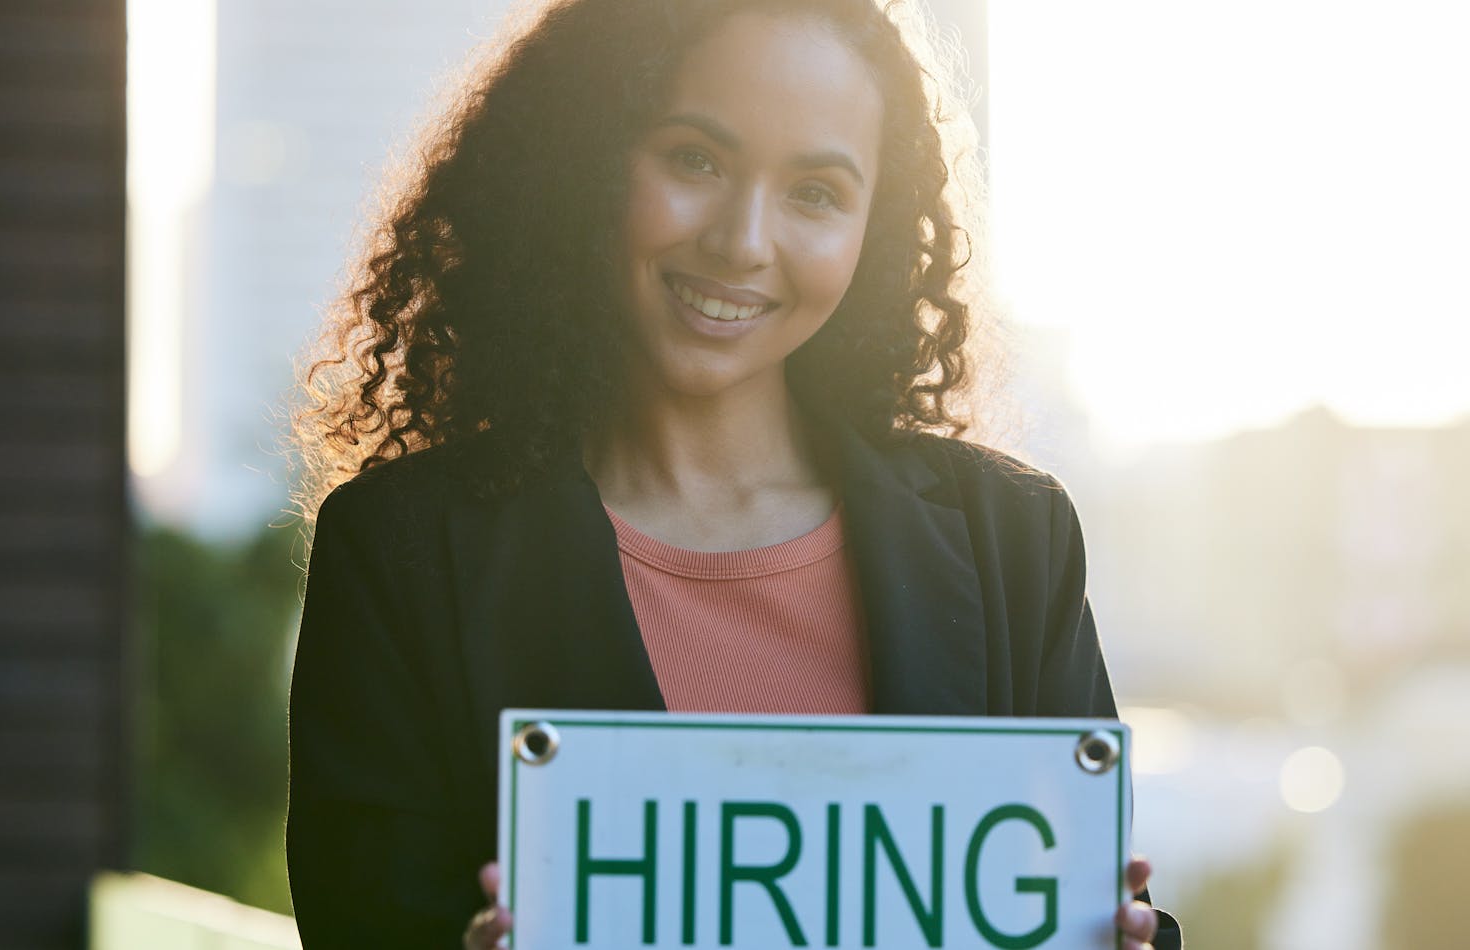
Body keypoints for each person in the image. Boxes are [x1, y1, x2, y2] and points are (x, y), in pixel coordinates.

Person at [286, 0, 1182, 946]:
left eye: (817, 192)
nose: (743, 240)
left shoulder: (1015, 540)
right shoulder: (402, 551)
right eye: (695, 160)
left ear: (872, 232)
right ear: (584, 157)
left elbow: (1078, 907)